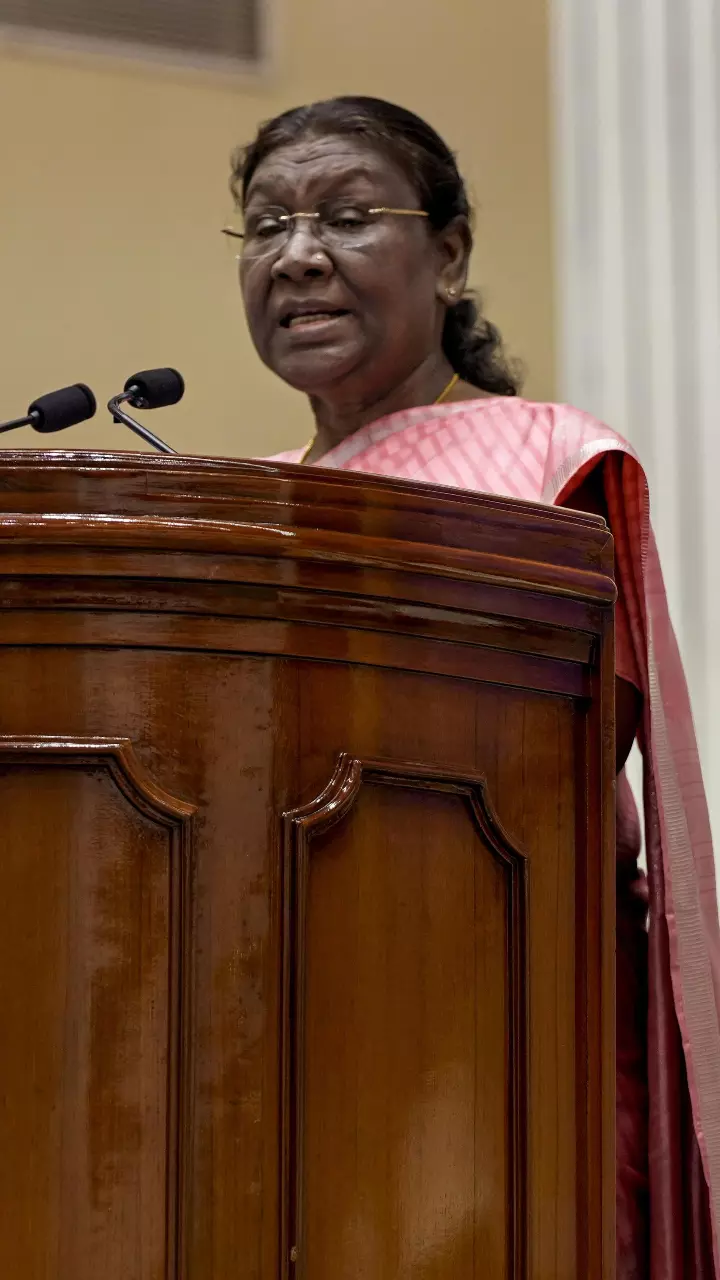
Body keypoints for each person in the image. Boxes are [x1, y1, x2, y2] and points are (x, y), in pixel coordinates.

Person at [226, 95, 720, 1276]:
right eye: (266, 224)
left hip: (501, 1026)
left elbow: (556, 765)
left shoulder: (546, 458)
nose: (298, 255)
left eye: (347, 216)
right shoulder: (238, 509)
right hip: (273, 1030)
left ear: (447, 255)